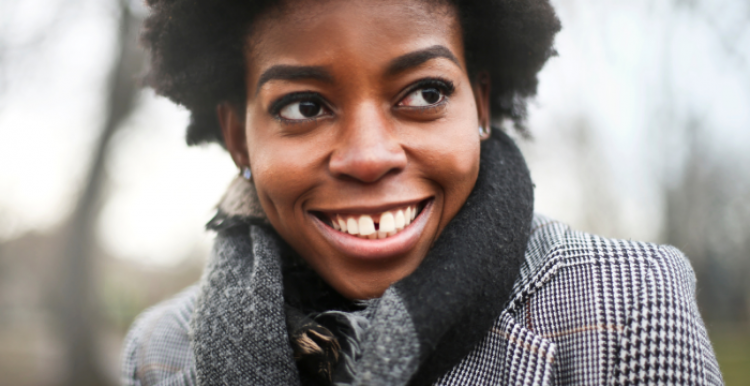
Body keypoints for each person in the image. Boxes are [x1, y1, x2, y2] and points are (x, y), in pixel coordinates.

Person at [121, 0, 723, 385]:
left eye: (426, 94)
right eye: (305, 106)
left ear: (480, 103)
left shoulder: (626, 310)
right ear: (238, 138)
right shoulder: (160, 350)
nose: (368, 155)